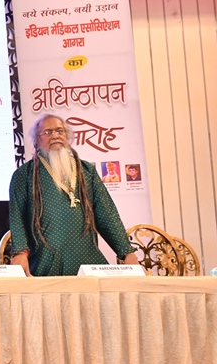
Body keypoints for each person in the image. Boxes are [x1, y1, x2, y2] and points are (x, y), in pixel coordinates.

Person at [9, 115, 137, 276]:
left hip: (87, 260)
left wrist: (127, 252)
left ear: (67, 136)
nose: (55, 136)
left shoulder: (87, 171)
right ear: (36, 139)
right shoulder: (24, 175)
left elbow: (107, 214)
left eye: (59, 131)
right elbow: (17, 217)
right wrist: (20, 252)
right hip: (44, 261)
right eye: (48, 132)